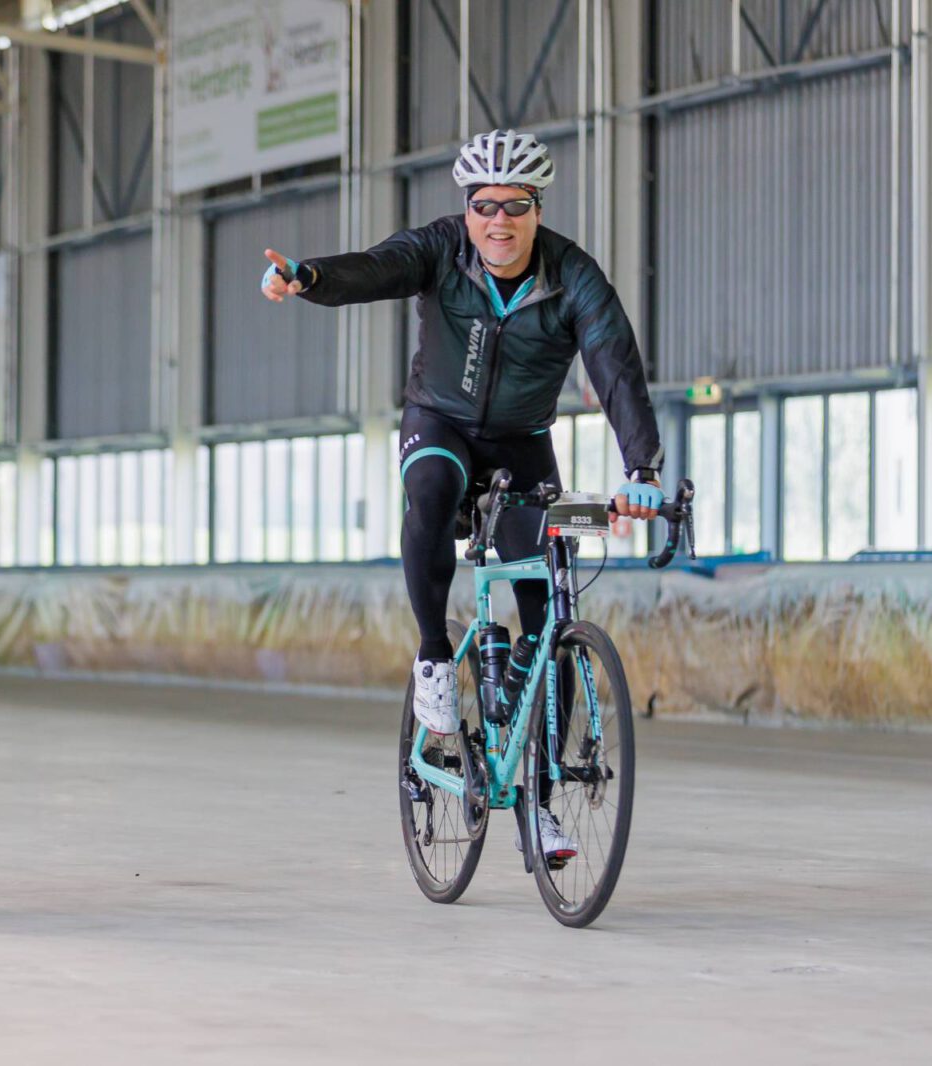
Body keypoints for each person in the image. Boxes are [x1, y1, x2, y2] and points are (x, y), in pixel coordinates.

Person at [260, 129, 664, 859]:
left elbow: (615, 367)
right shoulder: (442, 250)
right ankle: (435, 661)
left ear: (538, 209)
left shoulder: (574, 277)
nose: (499, 222)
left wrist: (642, 471)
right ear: (467, 210)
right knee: (433, 490)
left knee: (550, 617)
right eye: (484, 206)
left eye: (516, 206)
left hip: (522, 441)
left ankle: (537, 809)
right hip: (438, 421)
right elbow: (379, 267)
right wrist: (311, 277)